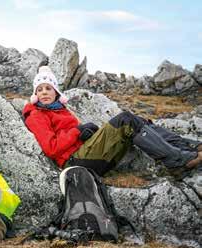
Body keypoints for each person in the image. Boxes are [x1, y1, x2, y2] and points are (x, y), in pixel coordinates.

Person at [22, 66, 202, 177]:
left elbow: (68, 136)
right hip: (74, 164)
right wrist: (77, 131)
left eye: (48, 88)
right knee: (126, 120)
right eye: (40, 89)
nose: (44, 92)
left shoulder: (60, 110)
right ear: (35, 95)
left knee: (137, 120)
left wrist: (86, 135)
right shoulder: (37, 114)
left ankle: (189, 147)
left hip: (85, 156)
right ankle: (178, 161)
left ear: (56, 92)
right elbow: (51, 148)